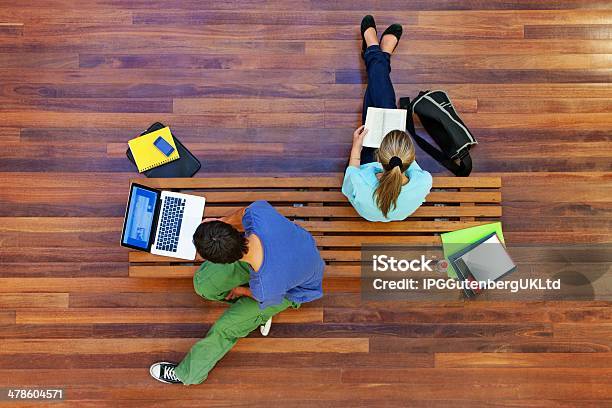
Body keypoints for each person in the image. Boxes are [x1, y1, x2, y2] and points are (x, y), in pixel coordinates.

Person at [149, 200, 324, 385]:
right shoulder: (257, 213)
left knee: (225, 329)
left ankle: (189, 375)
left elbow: (264, 297)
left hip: (290, 290)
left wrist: (241, 290)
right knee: (203, 284)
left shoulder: (265, 288)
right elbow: (243, 213)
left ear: (226, 261)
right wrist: (222, 220)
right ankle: (255, 316)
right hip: (281, 255)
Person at [342, 15, 432, 222]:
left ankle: (376, 52)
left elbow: (350, 181)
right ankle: (377, 53)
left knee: (381, 106)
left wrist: (356, 147)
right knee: (382, 105)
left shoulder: (361, 181)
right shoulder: (422, 182)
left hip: (368, 179)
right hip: (384, 191)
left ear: (378, 156)